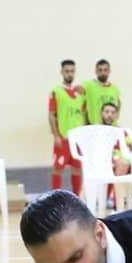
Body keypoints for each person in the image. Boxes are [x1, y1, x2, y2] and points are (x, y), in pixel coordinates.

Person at [49, 59, 86, 194]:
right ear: (62, 72)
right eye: (67, 71)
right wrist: (56, 135)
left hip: (78, 139)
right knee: (58, 168)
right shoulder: (56, 91)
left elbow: (83, 113)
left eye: (72, 71)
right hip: (63, 137)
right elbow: (51, 115)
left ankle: (76, 197)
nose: (69, 74)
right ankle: (54, 197)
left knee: (77, 168)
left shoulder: (80, 93)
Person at [83, 59, 121, 126]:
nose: (103, 73)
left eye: (105, 70)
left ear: (109, 71)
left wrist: (116, 120)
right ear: (96, 71)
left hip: (111, 127)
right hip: (95, 127)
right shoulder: (88, 86)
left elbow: (118, 105)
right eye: (100, 70)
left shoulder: (115, 88)